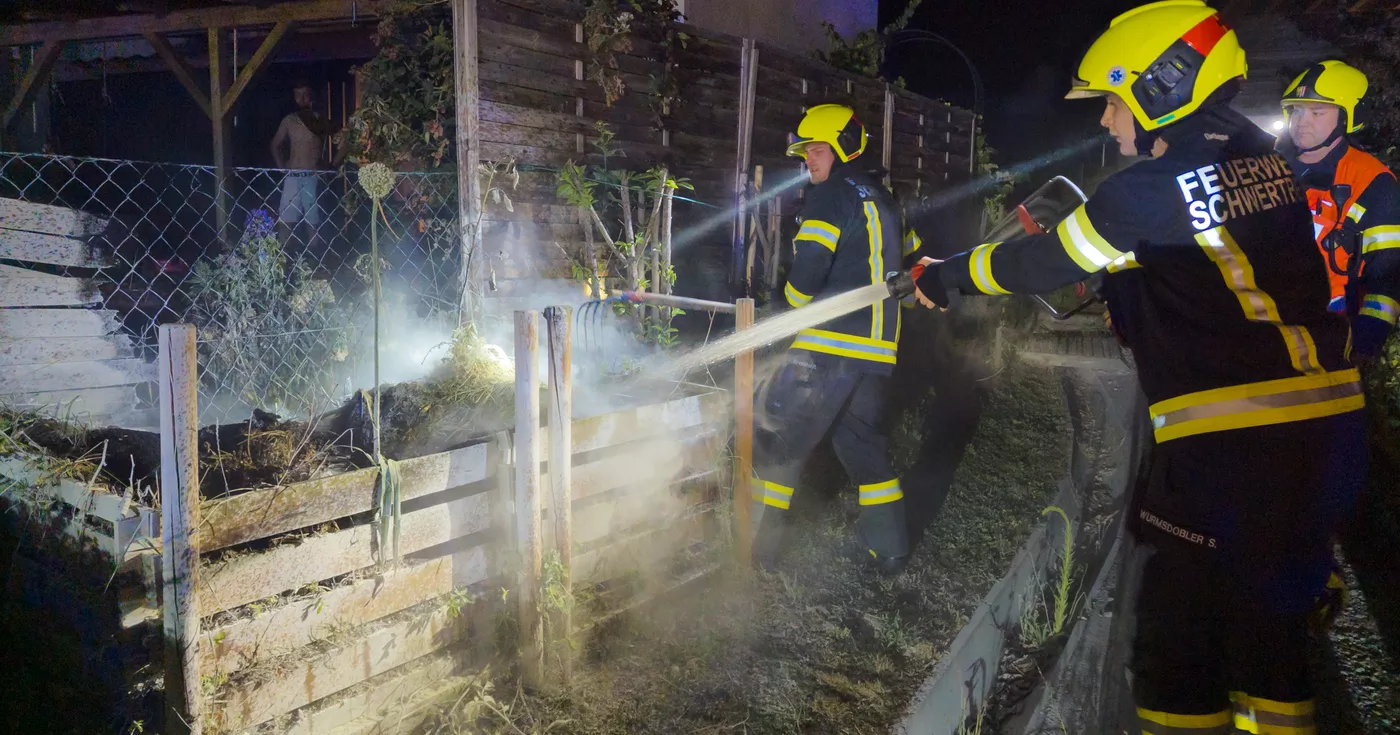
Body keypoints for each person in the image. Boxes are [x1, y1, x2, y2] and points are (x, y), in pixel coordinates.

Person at [910, 2, 1364, 732]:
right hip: (1324, 435)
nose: (1105, 122)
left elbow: (1042, 259)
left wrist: (947, 274)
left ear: (1163, 87)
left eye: (1114, 101)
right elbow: (1202, 255)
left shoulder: (1146, 192)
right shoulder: (1260, 157)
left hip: (1229, 447)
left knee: (1175, 651)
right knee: (1266, 641)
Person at [751, 103, 908, 575]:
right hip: (879, 349)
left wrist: (785, 305)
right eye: (806, 154)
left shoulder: (829, 195)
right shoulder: (883, 198)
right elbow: (909, 261)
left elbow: (808, 274)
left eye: (817, 150)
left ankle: (757, 550)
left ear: (841, 147)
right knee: (859, 444)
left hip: (831, 345)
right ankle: (892, 550)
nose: (809, 162)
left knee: (781, 435)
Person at [1280, 60, 1400, 361]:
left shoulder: (1374, 182)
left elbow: (1387, 277)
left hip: (1331, 339)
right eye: (1296, 110)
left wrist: (1362, 344)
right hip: (1264, 333)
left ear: (1348, 117)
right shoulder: (1269, 167)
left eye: (1317, 112)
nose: (1301, 121)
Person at [269, 78, 342, 259]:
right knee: (286, 221)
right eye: (297, 95)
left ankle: (314, 262)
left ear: (311, 96)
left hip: (312, 176)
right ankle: (284, 261)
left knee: (313, 222)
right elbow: (275, 144)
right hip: (292, 176)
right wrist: (282, 170)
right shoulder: (290, 120)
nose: (301, 99)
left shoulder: (321, 119)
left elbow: (346, 140)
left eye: (304, 94)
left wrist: (332, 166)